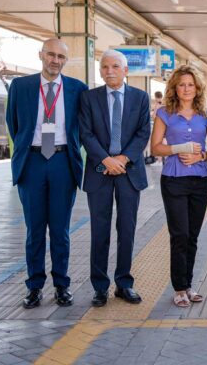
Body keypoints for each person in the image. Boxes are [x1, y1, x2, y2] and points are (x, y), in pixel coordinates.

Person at [6, 38, 88, 309]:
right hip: (33, 162)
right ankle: (34, 286)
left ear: (66, 60)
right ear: (41, 55)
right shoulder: (21, 86)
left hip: (63, 162)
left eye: (61, 57)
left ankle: (62, 285)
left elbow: (82, 127)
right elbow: (14, 123)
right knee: (34, 230)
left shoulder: (77, 89)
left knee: (61, 230)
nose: (55, 60)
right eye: (51, 55)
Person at [79, 49, 151, 307]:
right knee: (100, 231)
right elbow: (85, 133)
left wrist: (122, 159)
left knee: (127, 229)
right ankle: (100, 287)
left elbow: (144, 133)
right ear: (100, 71)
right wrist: (106, 160)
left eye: (115, 67)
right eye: (105, 67)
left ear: (125, 70)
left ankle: (124, 283)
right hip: (100, 171)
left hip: (128, 172)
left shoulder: (140, 98)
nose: (109, 71)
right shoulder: (89, 98)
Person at [150, 66, 207, 307]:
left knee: (193, 236)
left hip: (200, 180)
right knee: (179, 235)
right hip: (173, 180)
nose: (186, 89)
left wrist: (201, 157)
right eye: (181, 84)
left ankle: (189, 285)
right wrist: (181, 149)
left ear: (197, 88)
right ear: (174, 88)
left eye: (190, 84)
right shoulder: (165, 113)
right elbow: (156, 147)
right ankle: (179, 288)